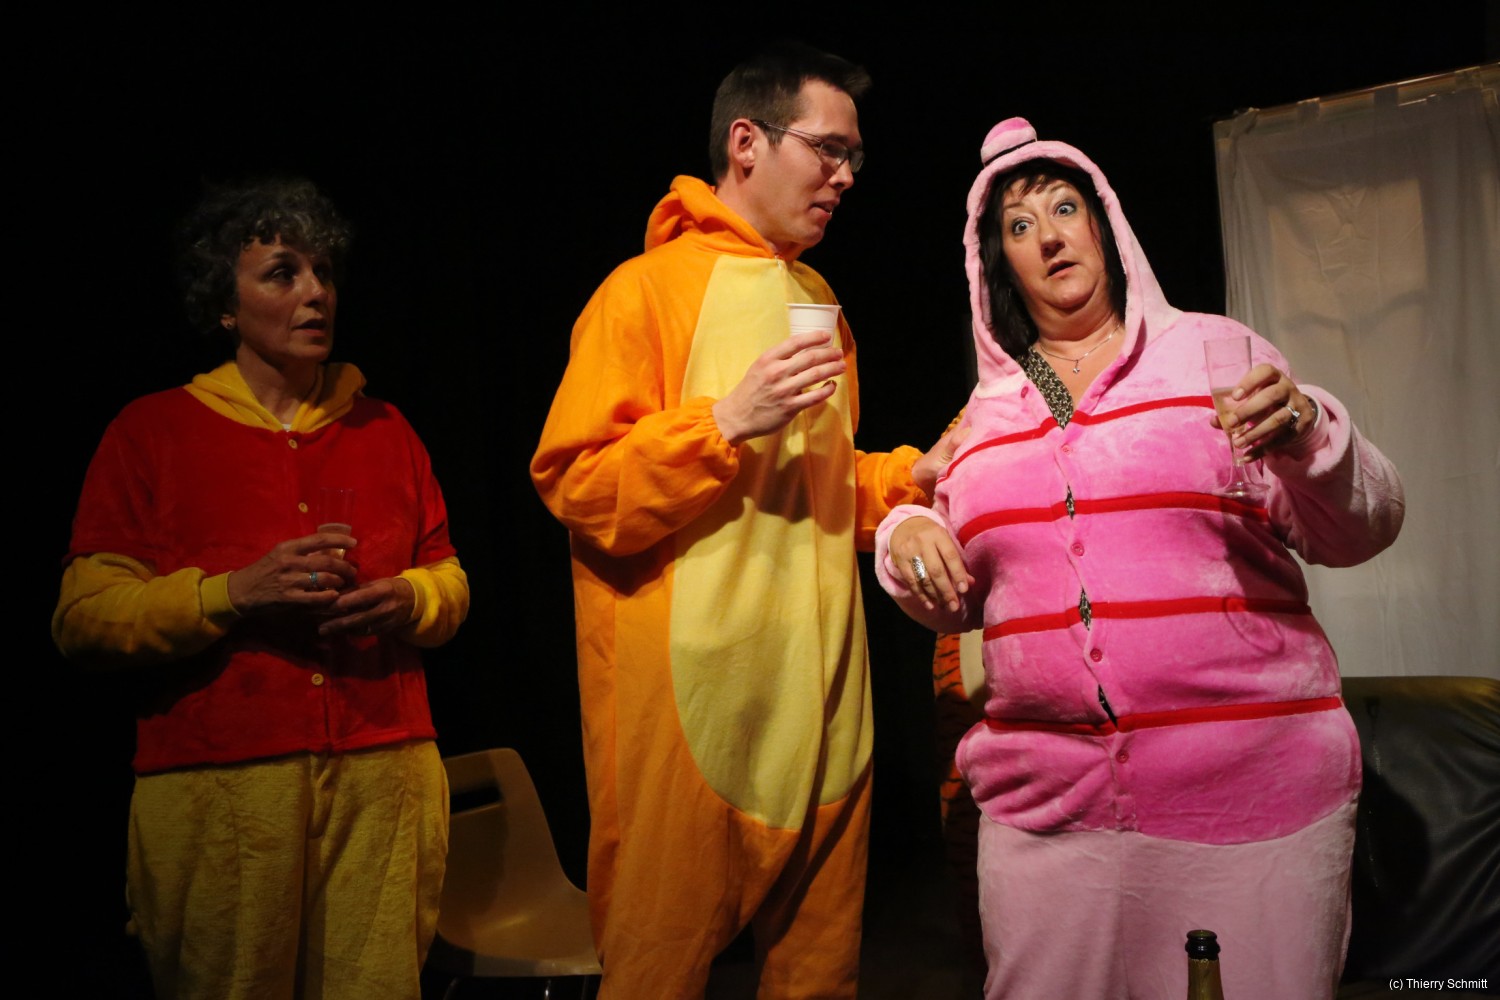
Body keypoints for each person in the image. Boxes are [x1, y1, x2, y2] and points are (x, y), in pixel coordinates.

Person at [877, 119, 1404, 1000]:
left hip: (1249, 802)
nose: (1048, 236)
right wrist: (903, 535)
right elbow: (949, 593)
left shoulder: (1215, 357)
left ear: (1105, 224)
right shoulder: (988, 414)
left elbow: (1361, 530)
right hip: (1049, 820)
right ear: (998, 265)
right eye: (1018, 226)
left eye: (1064, 208)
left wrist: (1310, 431)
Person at [531, 43, 957, 999]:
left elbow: (817, 485)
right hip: (694, 705)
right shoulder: (641, 291)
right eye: (828, 149)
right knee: (657, 973)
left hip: (825, 689)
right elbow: (579, 485)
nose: (846, 176)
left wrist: (909, 477)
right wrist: (724, 421)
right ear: (746, 142)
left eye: (855, 156)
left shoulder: (818, 301)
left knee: (819, 974)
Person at [53, 178, 469, 1000]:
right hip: (223, 789)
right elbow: (83, 618)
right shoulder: (152, 433)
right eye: (283, 273)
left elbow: (448, 577)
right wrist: (232, 594)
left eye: (324, 272)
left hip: (384, 774)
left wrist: (409, 599)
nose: (316, 293)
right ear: (224, 306)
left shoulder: (386, 428)